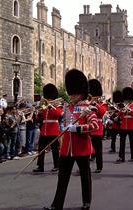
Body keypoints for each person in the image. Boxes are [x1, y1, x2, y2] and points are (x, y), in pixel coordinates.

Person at [44, 69, 99, 210]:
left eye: (74, 93)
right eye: (71, 92)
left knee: (85, 177)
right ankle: (57, 205)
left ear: (81, 93)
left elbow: (94, 125)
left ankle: (86, 202)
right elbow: (63, 123)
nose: (72, 95)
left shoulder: (88, 107)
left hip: (81, 148)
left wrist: (78, 129)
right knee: (62, 178)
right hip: (66, 148)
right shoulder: (67, 108)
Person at [33, 83, 63, 173]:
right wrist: (38, 114)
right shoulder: (44, 105)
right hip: (44, 130)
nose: (48, 99)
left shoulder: (58, 105)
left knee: (55, 149)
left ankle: (57, 165)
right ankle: (40, 166)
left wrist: (51, 107)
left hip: (53, 130)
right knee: (41, 149)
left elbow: (58, 114)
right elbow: (40, 118)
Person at [88, 79, 107, 173]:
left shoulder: (102, 104)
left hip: (97, 128)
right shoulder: (87, 102)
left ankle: (99, 166)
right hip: (87, 128)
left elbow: (102, 112)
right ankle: (84, 167)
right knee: (86, 149)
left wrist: (95, 104)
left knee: (98, 149)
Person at [116, 87, 133, 163]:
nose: (127, 100)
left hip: (132, 125)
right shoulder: (124, 105)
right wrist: (122, 110)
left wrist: (129, 111)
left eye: (127, 98)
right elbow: (119, 115)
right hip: (124, 125)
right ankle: (121, 157)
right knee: (122, 142)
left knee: (132, 142)